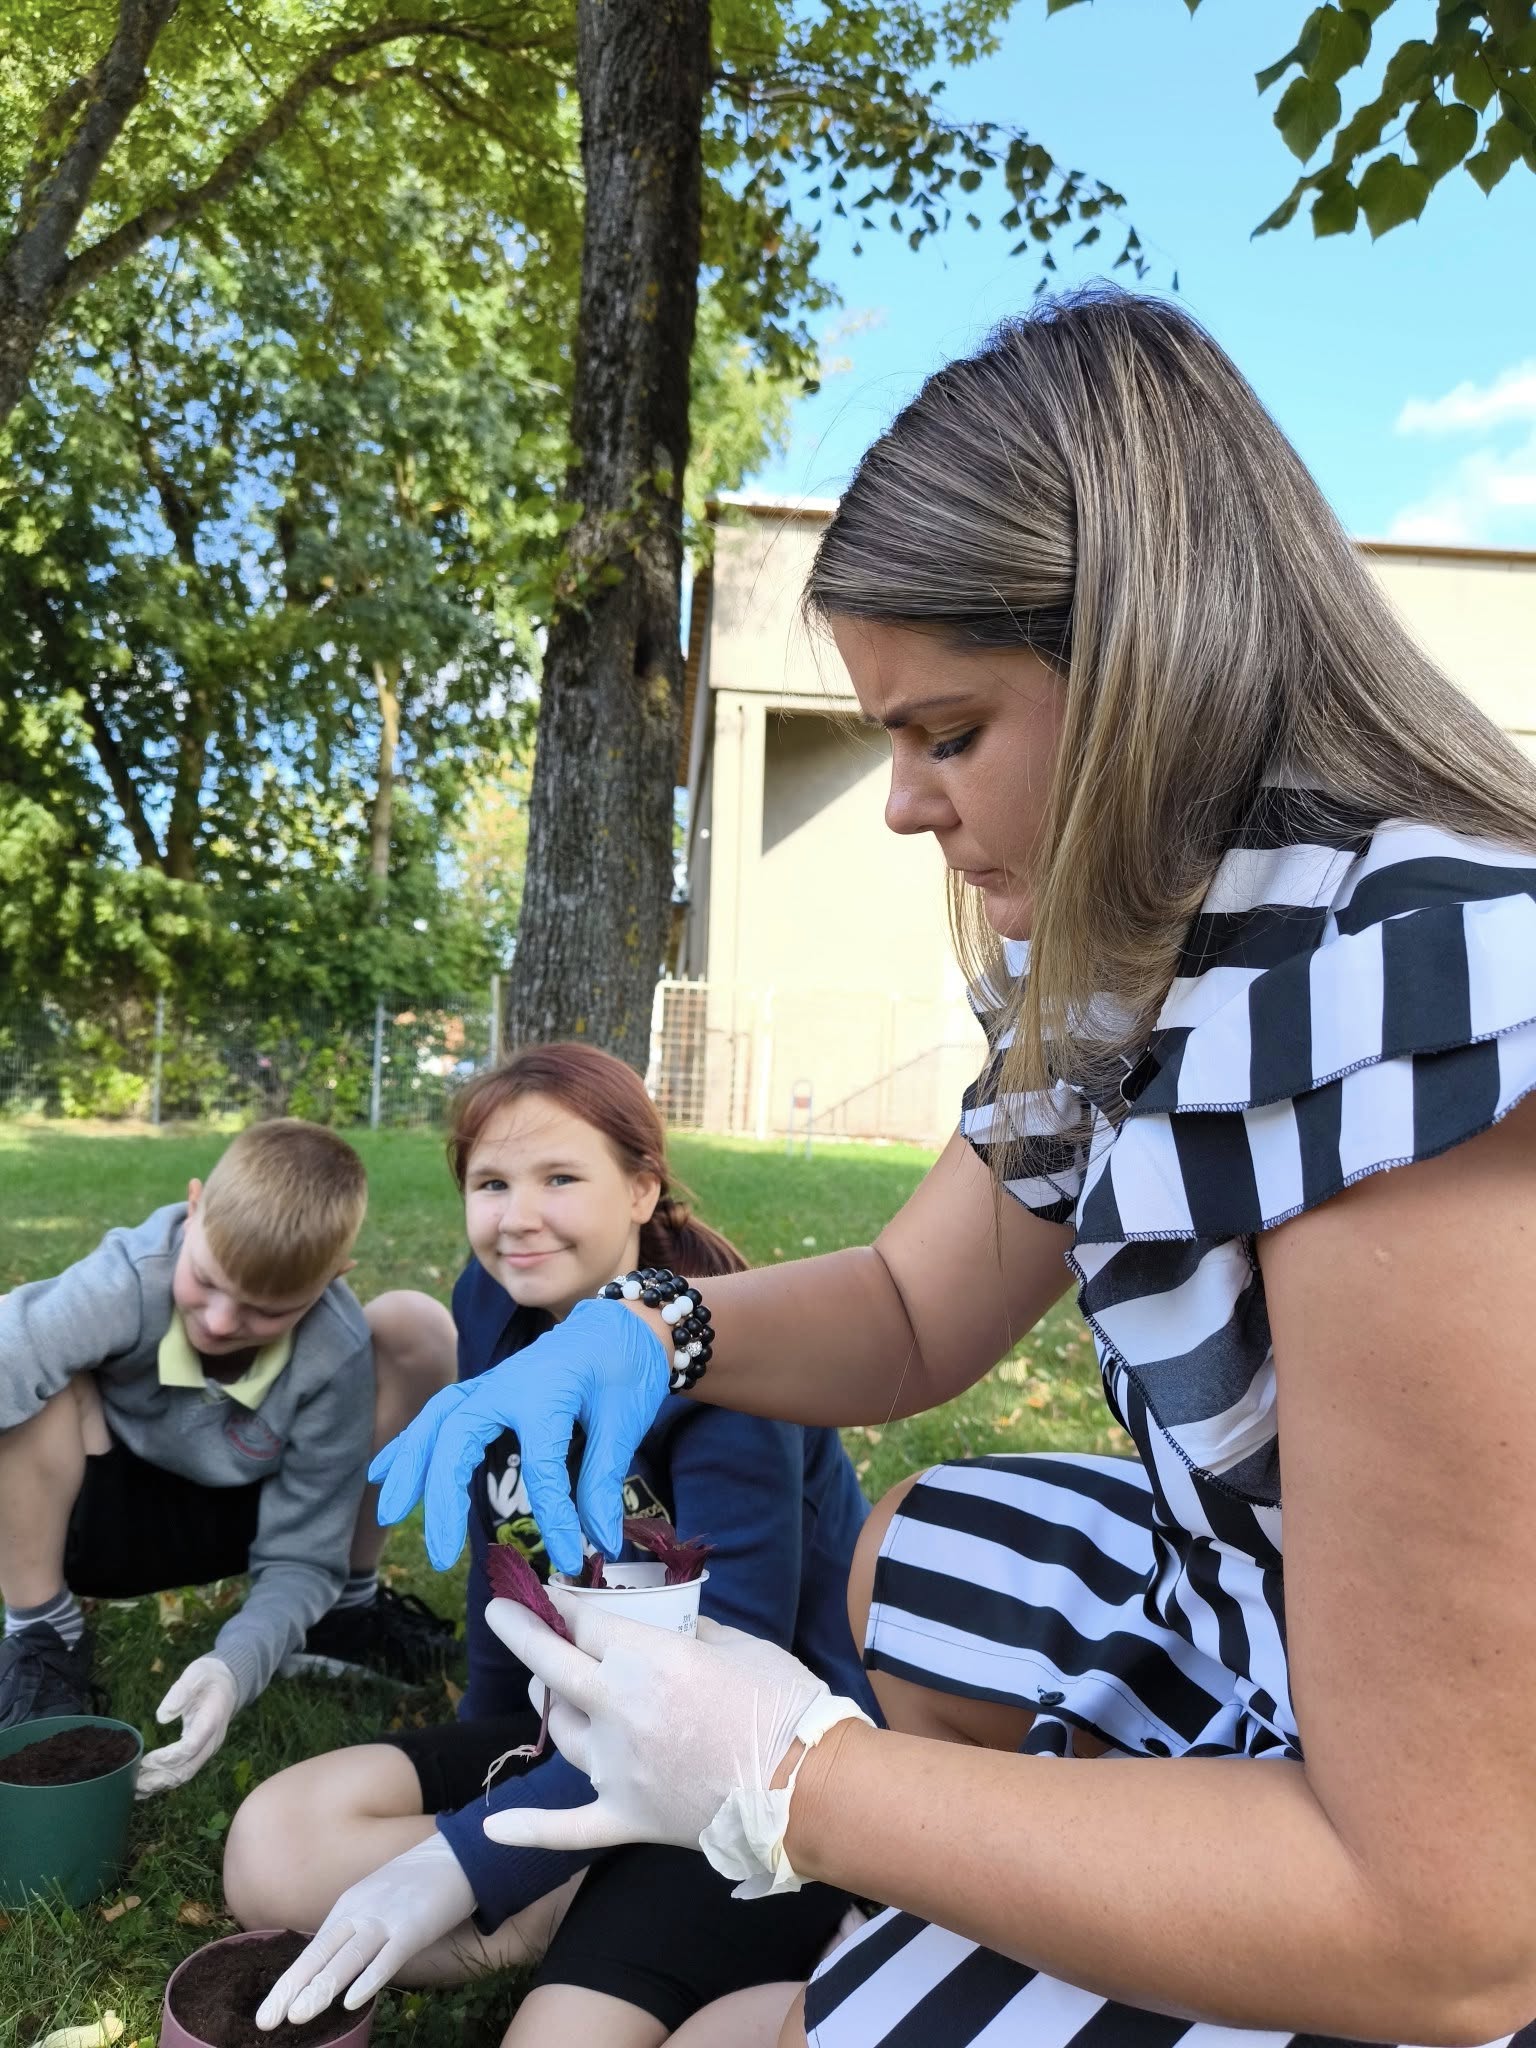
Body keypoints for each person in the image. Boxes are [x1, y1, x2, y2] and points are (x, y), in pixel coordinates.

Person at [365, 287, 1536, 2048]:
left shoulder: (1398, 1007)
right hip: (1270, 1619)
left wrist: (795, 1776)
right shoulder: (1145, 947)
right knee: (912, 1554)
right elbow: (918, 1302)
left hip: (1458, 1850)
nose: (904, 803)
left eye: (949, 733)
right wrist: (654, 1328)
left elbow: (1451, 1922)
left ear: (1158, 665)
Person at [226, 1042, 875, 2046]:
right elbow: (507, 1544)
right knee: (270, 1849)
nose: (516, 1217)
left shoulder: (732, 1368)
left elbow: (730, 1684)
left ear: (642, 1187)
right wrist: (490, 1744)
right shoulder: (495, 1303)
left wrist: (464, 1861)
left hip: (746, 1776)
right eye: (491, 1183)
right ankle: (556, 1897)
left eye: (560, 1178)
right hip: (581, 1728)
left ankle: (679, 1918)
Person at [0, 1118, 457, 1794]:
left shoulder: (333, 1349)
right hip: (97, 1516)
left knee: (417, 1323)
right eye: (206, 1280)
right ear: (193, 1208)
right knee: (28, 1365)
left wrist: (234, 1665)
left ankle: (341, 1615)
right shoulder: (130, 1275)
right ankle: (44, 1633)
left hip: (245, 1523)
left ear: (332, 1278)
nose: (218, 1323)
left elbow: (302, 1556)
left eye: (265, 1310)